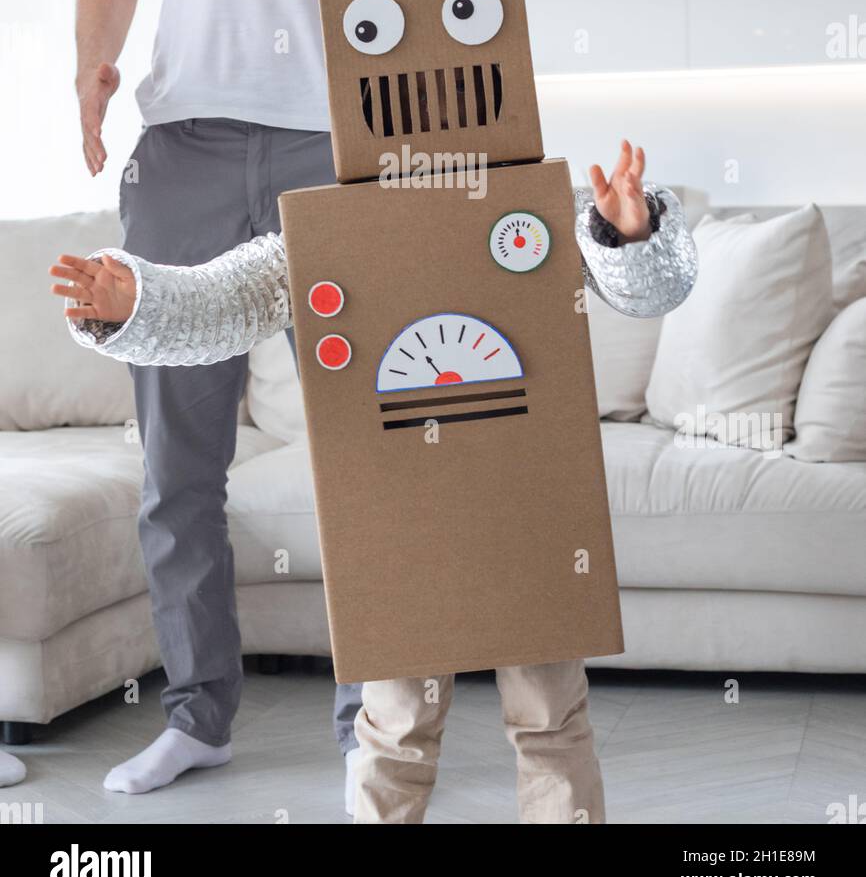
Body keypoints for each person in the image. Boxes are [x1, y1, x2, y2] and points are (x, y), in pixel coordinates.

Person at [73, 0, 452, 804]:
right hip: (182, 152)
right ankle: (197, 715)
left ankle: (372, 731)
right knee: (178, 460)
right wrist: (93, 70)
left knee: (365, 454)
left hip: (335, 151)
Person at [50, 141, 700, 822]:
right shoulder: (329, 227)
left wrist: (628, 232)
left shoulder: (538, 207)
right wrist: (136, 302)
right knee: (393, 730)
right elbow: (227, 300)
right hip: (399, 519)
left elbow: (651, 288)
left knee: (549, 717)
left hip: (526, 510)